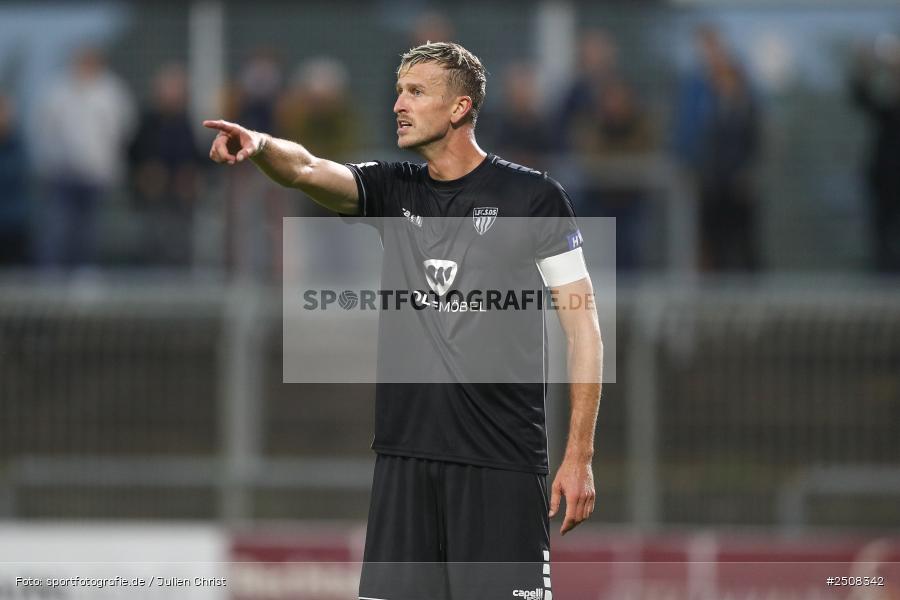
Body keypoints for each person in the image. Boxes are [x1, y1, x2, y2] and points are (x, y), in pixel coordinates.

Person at [205, 42, 601, 600]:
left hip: (501, 467)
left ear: (460, 107)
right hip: (404, 464)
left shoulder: (533, 198)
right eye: (398, 91)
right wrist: (261, 144)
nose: (399, 104)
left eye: (416, 92)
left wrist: (579, 455)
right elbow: (308, 169)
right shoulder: (395, 189)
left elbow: (583, 327)